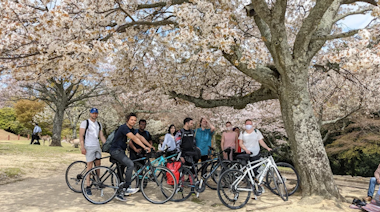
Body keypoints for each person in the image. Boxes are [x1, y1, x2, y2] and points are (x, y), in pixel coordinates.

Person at [109, 113, 153, 201]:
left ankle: (119, 192)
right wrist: (144, 147)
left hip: (121, 151)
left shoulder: (131, 129)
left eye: (135, 120)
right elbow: (134, 138)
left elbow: (140, 137)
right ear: (127, 120)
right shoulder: (124, 128)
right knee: (130, 164)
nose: (133, 121)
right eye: (132, 120)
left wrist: (150, 146)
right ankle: (127, 186)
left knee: (122, 170)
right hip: (116, 151)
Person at [79, 108, 107, 197]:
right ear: (90, 114)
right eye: (93, 113)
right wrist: (82, 147)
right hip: (89, 146)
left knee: (98, 164)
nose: (94, 115)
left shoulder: (99, 124)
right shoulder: (85, 123)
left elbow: (101, 135)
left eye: (96, 113)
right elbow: (81, 135)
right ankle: (88, 186)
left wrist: (106, 144)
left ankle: (97, 181)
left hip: (97, 145)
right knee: (90, 166)